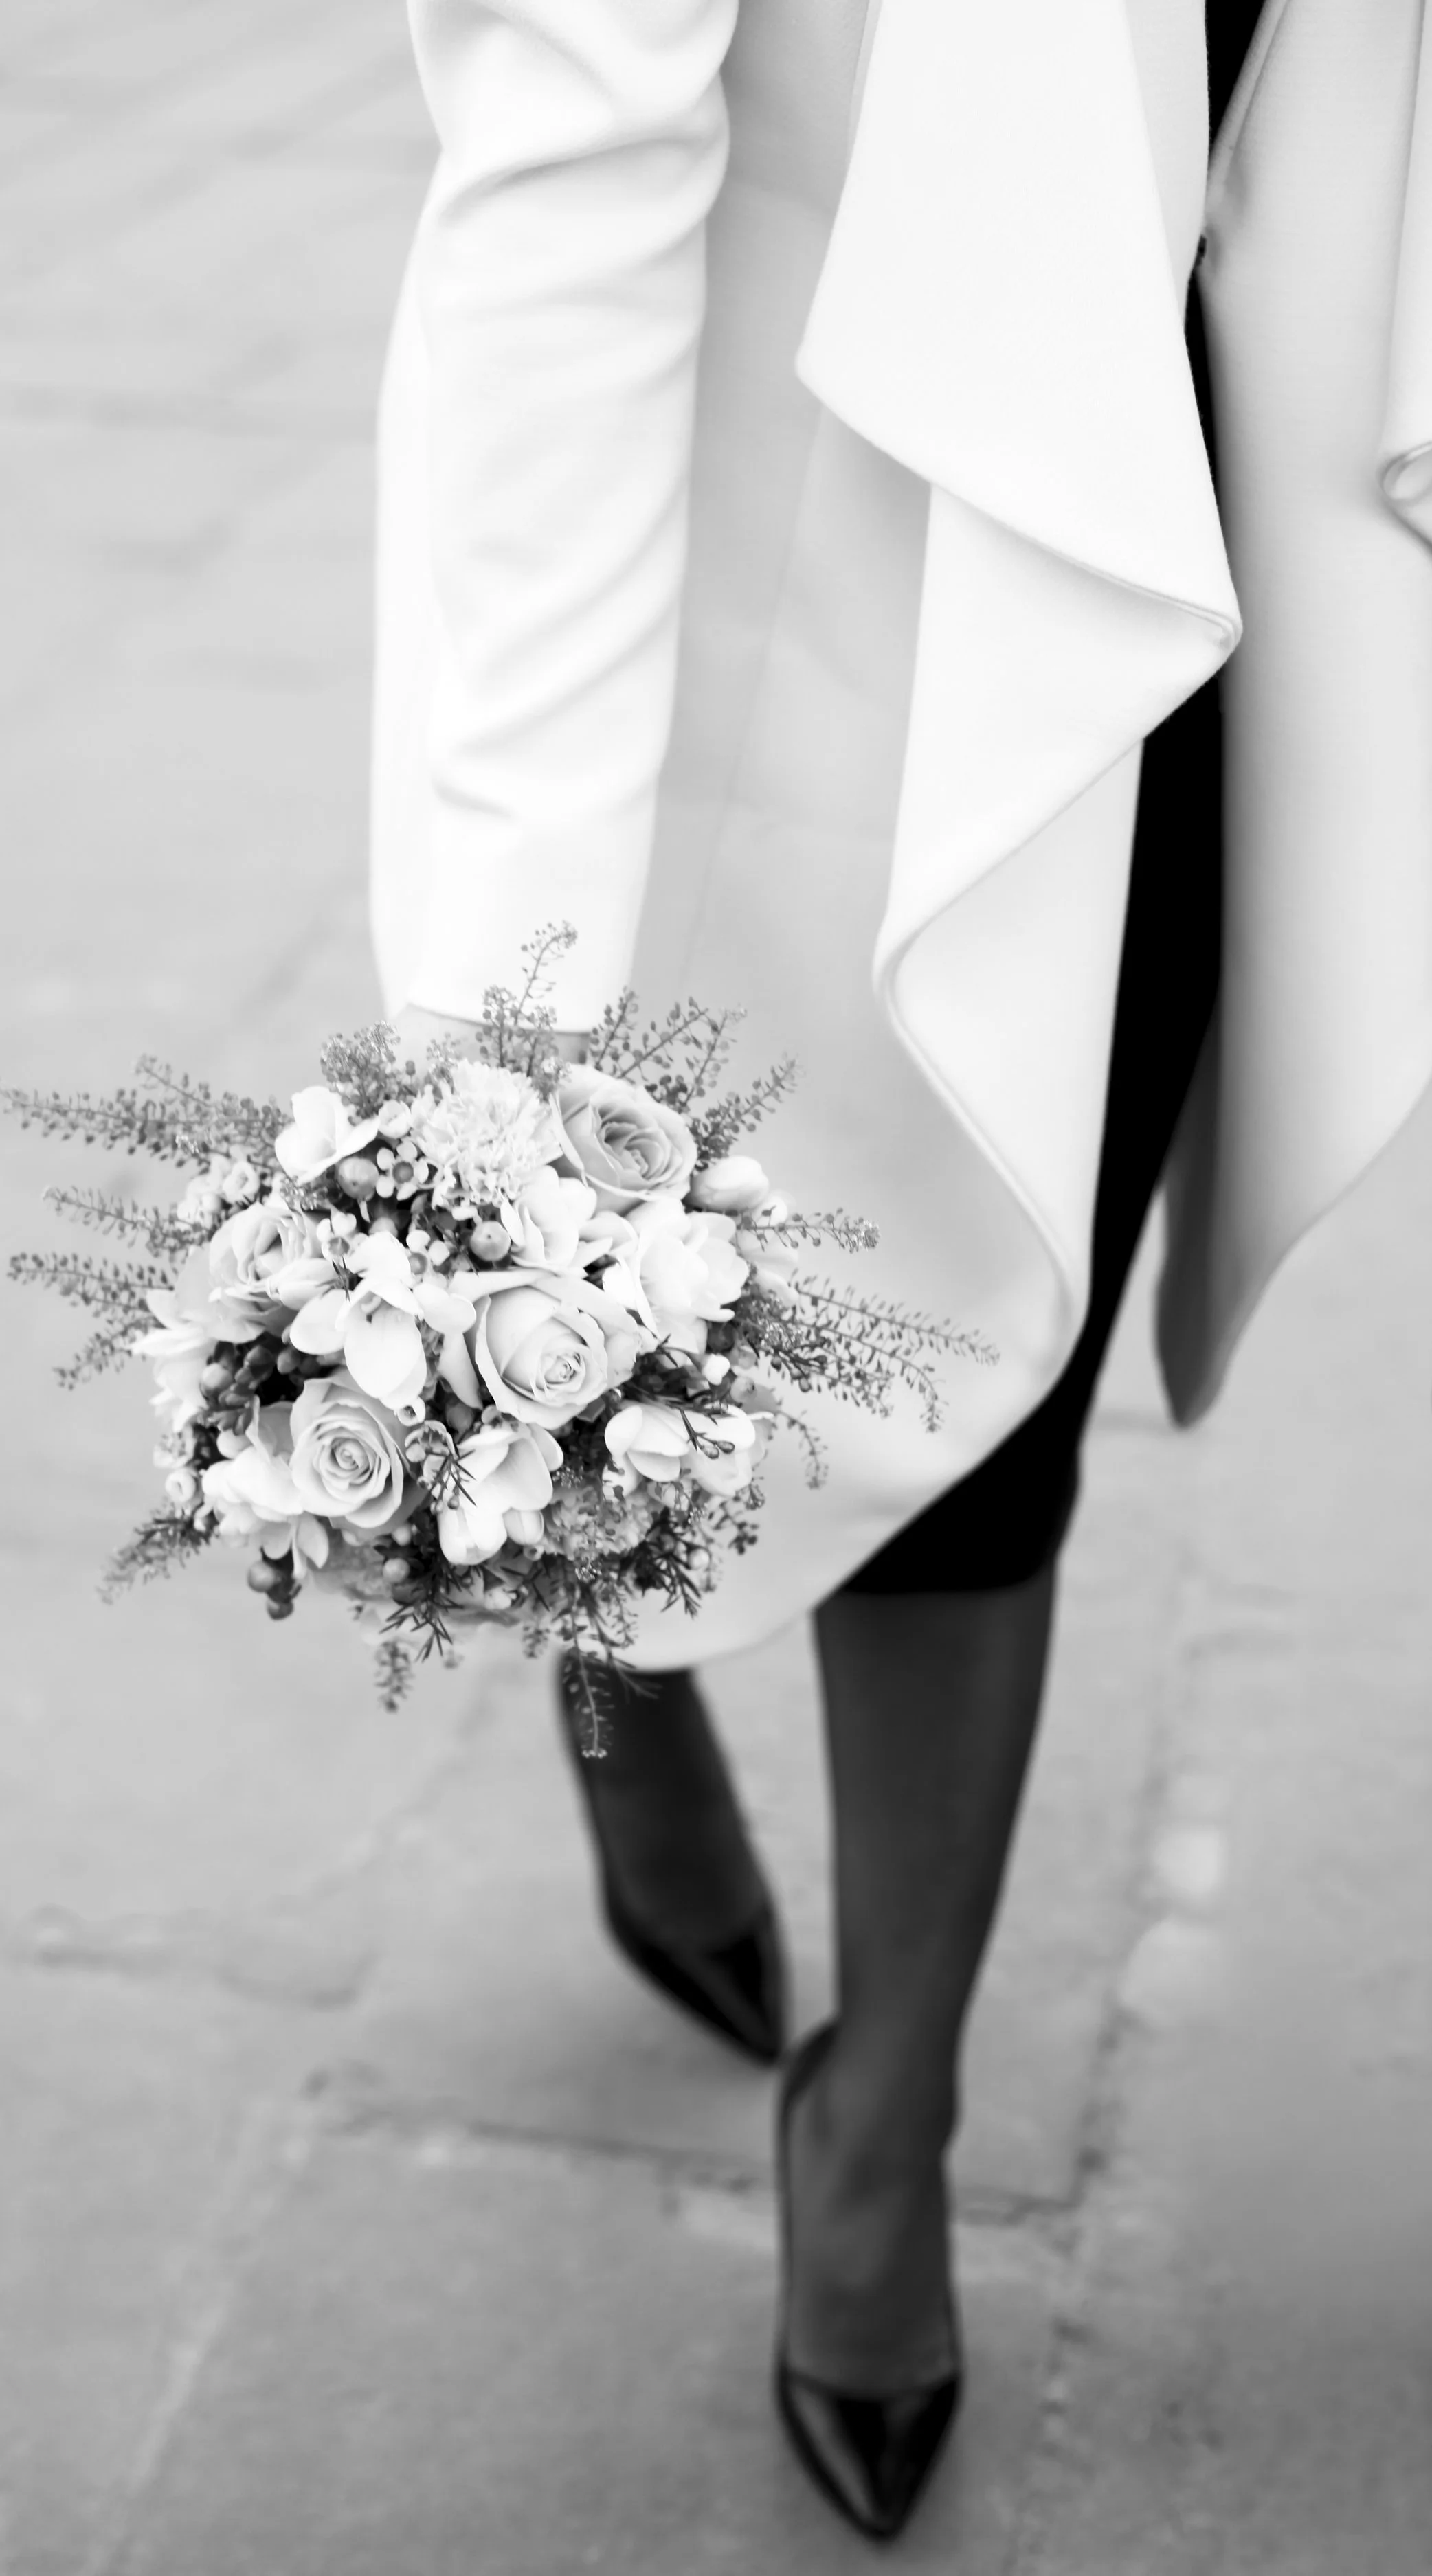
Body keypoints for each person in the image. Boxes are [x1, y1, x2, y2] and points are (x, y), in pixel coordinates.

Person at [372, 0, 1432, 2542]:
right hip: (799, 564)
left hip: (1221, 515)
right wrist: (493, 999)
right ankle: (623, 1681)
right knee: (618, 1320)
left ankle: (892, 2103)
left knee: (1002, 1347)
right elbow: (555, 169)